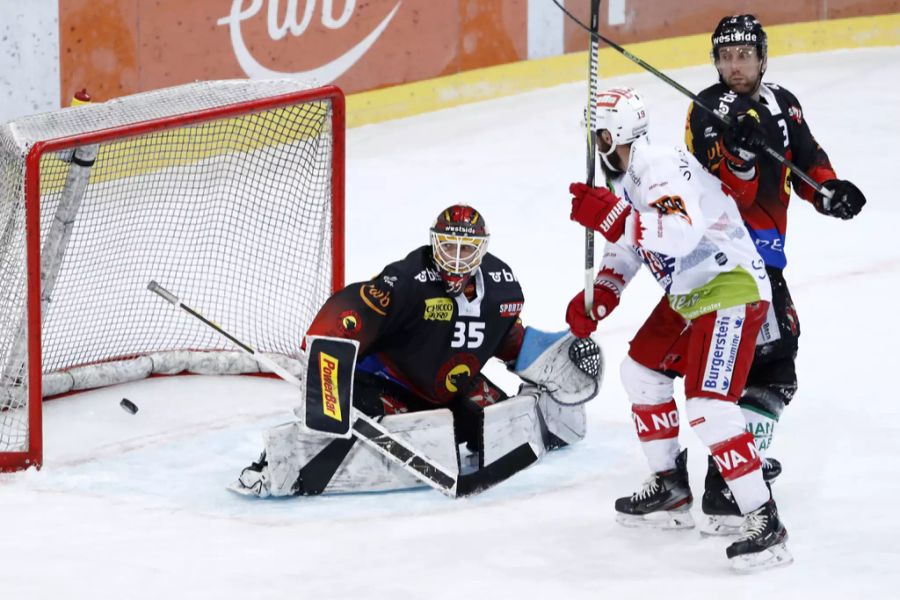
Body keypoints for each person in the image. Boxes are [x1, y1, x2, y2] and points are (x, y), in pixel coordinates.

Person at [565, 86, 790, 570]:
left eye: (599, 134)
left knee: (709, 406)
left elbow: (679, 231)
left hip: (728, 285)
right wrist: (602, 292)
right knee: (640, 374)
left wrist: (612, 217)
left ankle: (764, 520)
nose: (594, 143)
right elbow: (629, 247)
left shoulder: (659, 167)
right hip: (690, 292)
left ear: (617, 134)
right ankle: (669, 487)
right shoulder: (628, 177)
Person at [232, 204, 599, 497]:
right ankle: (276, 465)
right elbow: (348, 314)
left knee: (500, 422)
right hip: (388, 382)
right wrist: (328, 376)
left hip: (451, 389)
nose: (456, 258)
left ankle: (550, 427)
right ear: (434, 243)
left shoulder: (503, 287)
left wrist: (548, 356)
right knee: (345, 423)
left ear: (482, 250)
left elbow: (507, 338)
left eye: (466, 249)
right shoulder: (407, 280)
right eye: (448, 246)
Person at [685, 14, 866, 531]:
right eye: (726, 55)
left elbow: (804, 156)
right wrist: (738, 152)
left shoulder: (783, 102)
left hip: (763, 255)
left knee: (760, 365)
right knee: (772, 363)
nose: (735, 65)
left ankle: (730, 463)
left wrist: (826, 189)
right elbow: (727, 184)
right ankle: (726, 481)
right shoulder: (706, 109)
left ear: (763, 57)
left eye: (744, 54)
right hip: (726, 258)